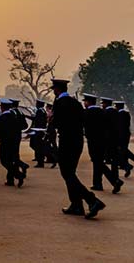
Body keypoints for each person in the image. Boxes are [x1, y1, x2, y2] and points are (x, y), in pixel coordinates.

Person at [50, 79, 105, 219]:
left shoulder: (58, 103)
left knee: (67, 174)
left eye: (54, 89)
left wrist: (50, 118)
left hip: (66, 141)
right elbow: (83, 120)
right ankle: (76, 204)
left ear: (57, 90)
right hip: (77, 141)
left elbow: (56, 123)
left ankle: (91, 200)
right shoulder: (75, 102)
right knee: (70, 173)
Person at [82, 94, 123, 194]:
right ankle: (97, 183)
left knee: (97, 162)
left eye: (85, 101)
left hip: (93, 140)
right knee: (98, 162)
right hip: (103, 140)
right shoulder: (103, 112)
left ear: (88, 102)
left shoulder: (87, 112)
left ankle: (114, 181)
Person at [0, 99, 26, 187]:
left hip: (5, 142)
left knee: (4, 160)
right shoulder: (14, 116)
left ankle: (18, 175)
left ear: (2, 107)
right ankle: (10, 180)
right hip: (14, 141)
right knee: (11, 160)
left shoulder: (1, 118)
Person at [114, 101, 134, 174]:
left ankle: (131, 163)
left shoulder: (119, 115)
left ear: (117, 107)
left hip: (121, 135)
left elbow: (119, 127)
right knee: (124, 150)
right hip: (126, 135)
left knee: (122, 151)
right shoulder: (126, 114)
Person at [30, 100, 48, 168]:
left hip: (38, 131)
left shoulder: (39, 111)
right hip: (41, 131)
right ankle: (40, 159)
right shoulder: (43, 111)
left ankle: (40, 162)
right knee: (39, 146)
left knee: (38, 147)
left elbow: (36, 120)